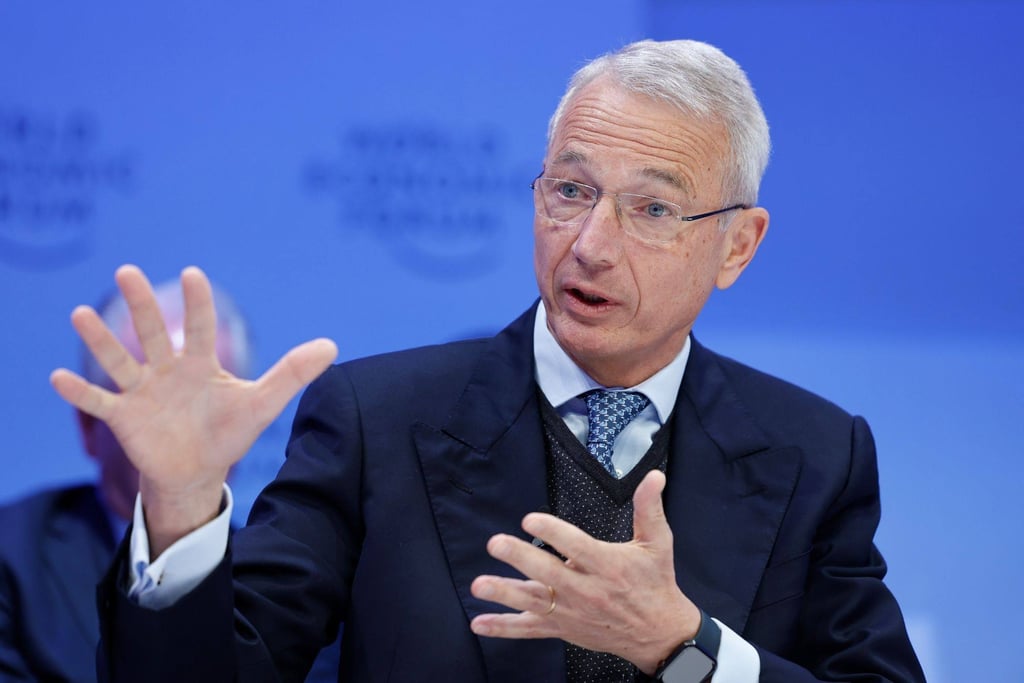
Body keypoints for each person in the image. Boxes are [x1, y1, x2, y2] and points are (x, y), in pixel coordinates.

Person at [51, 39, 925, 682]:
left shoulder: (815, 453)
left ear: (737, 245)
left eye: (651, 209)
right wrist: (179, 510)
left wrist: (686, 647)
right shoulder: (376, 421)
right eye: (571, 191)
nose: (589, 245)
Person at [0, 279, 251, 681]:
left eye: (205, 403)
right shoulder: (12, 557)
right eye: (153, 405)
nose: (181, 430)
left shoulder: (286, 581)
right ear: (88, 427)